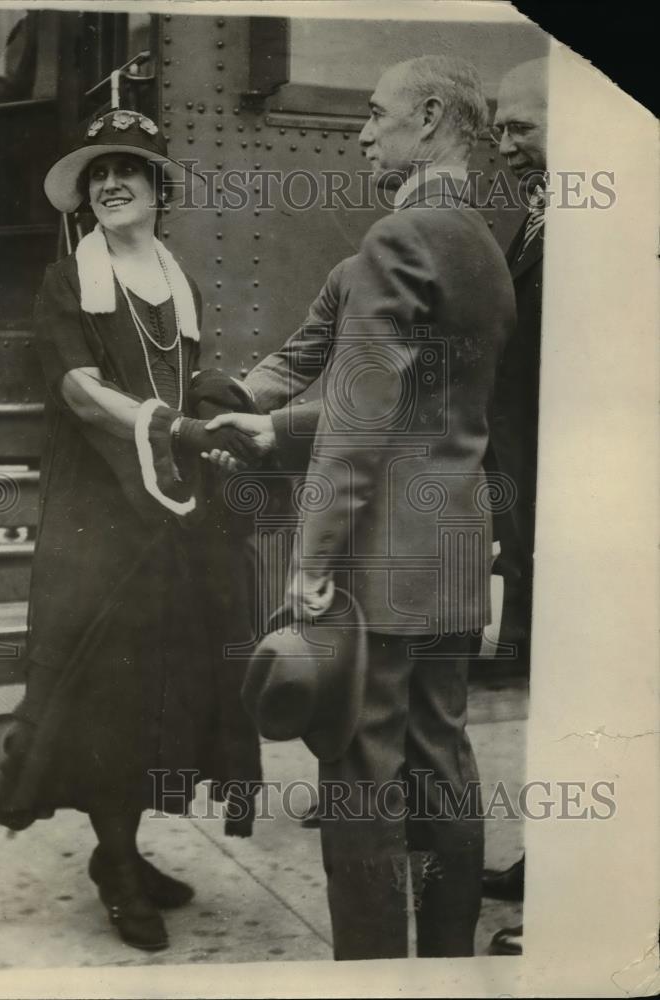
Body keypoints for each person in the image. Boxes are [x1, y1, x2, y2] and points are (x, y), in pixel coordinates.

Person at [206, 56, 516, 958]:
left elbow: (361, 417)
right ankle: (452, 967)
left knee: (357, 780)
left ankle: (373, 978)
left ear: (427, 119)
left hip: (378, 558)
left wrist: (309, 561)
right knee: (445, 768)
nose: (361, 130)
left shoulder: (393, 243)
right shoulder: (484, 245)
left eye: (376, 116)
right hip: (456, 546)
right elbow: (427, 407)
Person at [0, 109, 262, 952]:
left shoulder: (175, 281)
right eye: (99, 174)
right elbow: (77, 390)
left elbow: (185, 381)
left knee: (162, 686)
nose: (112, 184)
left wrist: (217, 420)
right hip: (97, 515)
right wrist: (171, 430)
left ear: (159, 190)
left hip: (166, 507)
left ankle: (128, 853)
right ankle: (113, 862)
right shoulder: (69, 280)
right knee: (106, 695)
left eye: (130, 171)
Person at [482, 56, 548, 958]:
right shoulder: (534, 220)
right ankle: (555, 855)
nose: (505, 148)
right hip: (538, 500)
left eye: (519, 128)